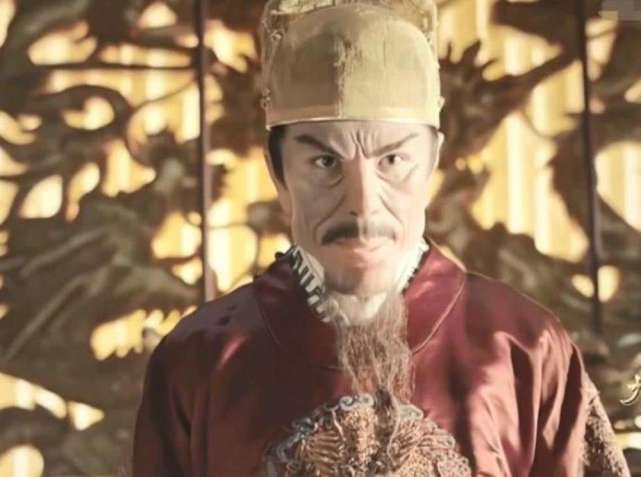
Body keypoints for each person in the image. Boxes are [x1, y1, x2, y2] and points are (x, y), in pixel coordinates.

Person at [132, 0, 631, 475]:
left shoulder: (525, 348)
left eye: (392, 160)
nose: (363, 203)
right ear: (278, 171)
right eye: (324, 162)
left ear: (432, 161)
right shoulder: (200, 359)